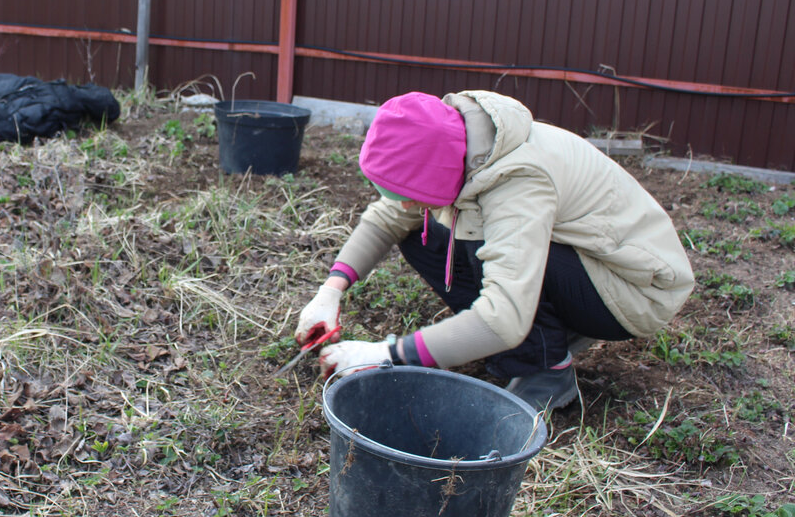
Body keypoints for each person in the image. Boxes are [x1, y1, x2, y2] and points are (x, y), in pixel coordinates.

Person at [295, 90, 694, 412]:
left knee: (474, 235)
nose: (403, 205)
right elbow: (388, 218)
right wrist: (330, 291)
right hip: (585, 262)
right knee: (425, 231)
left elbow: (504, 317)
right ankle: (547, 335)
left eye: (410, 196)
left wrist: (389, 354)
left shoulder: (518, 179)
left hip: (632, 290)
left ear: (438, 170)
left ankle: (546, 370)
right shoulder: (459, 143)